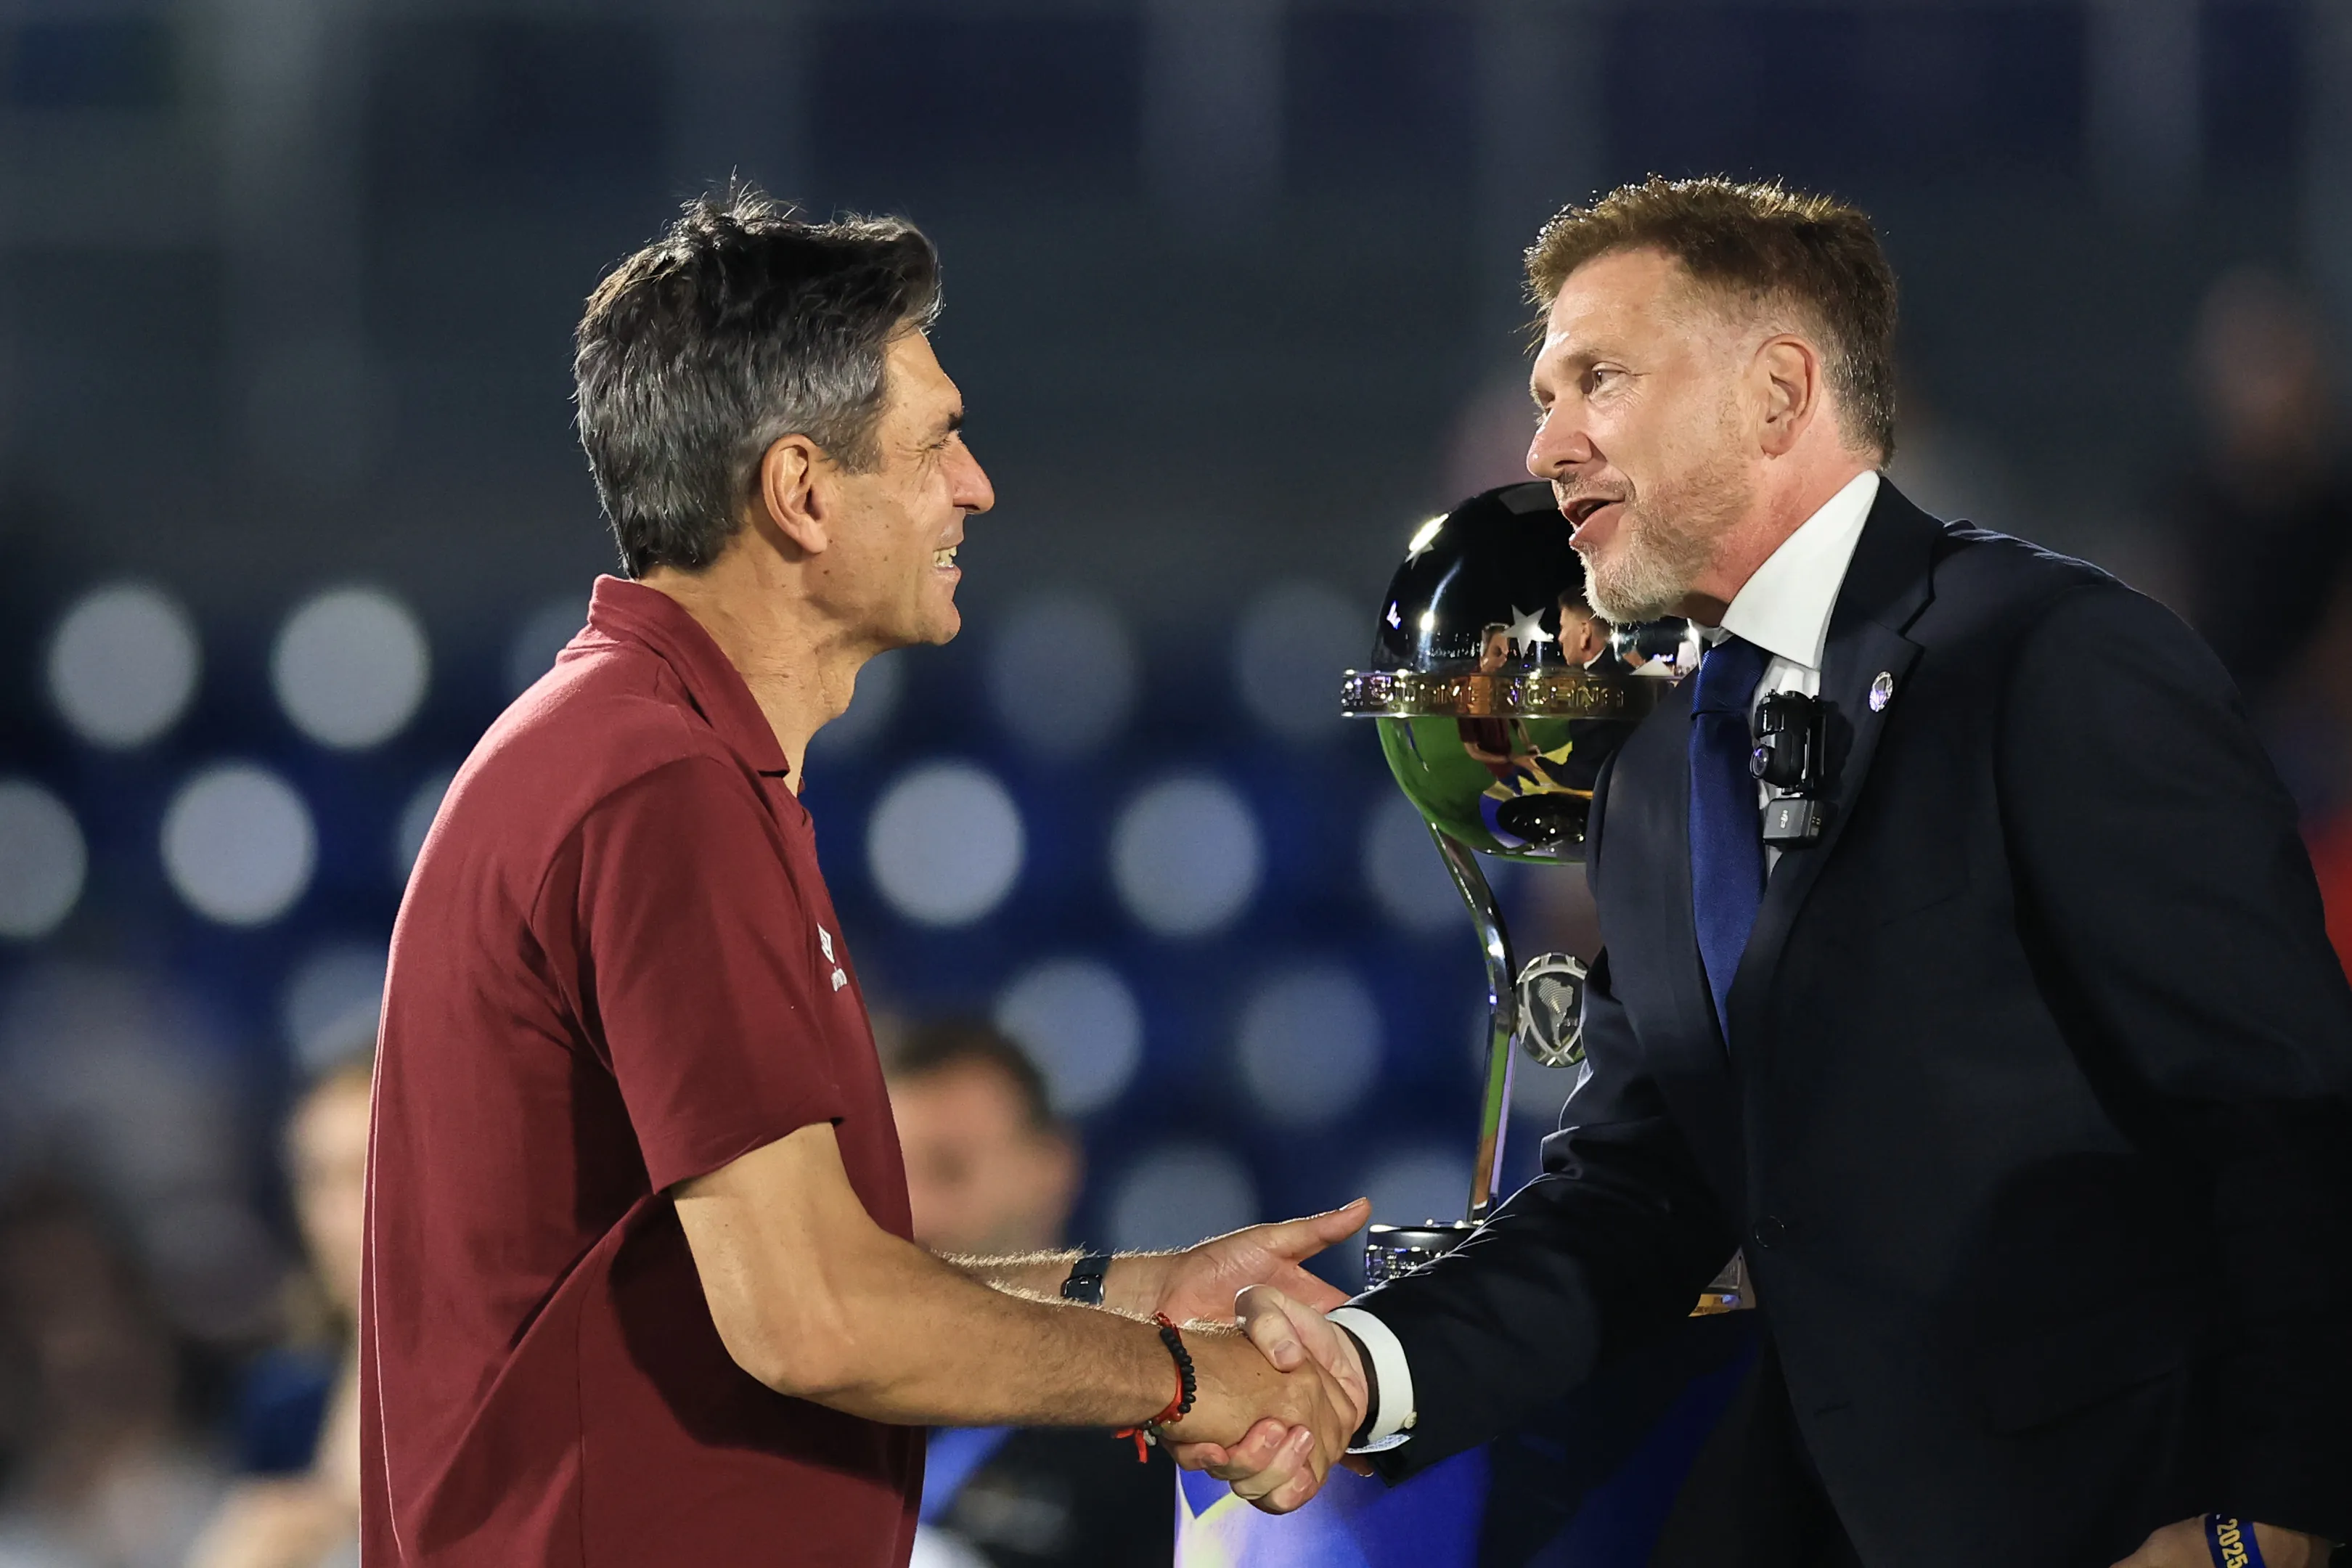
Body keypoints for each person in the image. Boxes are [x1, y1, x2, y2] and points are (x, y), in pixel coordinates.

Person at [1187, 177, 2352, 1568]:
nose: (1545, 444)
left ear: (1780, 393)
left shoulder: (2057, 663)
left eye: (1595, 381)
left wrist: (2266, 1521)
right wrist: (1356, 1369)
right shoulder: (1660, 757)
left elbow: (2290, 1127)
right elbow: (1641, 1192)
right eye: (1545, 393)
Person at [360, 187, 1364, 1567]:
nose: (977, 485)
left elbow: (735, 1285)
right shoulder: (658, 789)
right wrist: (1192, 1382)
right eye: (938, 440)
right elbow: (812, 1317)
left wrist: (1130, 1293)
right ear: (801, 493)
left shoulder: (645, 755)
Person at [882, 1020, 1172, 1568]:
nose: (915, 1210)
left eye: (950, 1169)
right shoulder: (819, 1385)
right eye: (892, 1174)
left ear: (1051, 1169)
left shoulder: (1149, 1413)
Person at [186, 1054, 372, 1568]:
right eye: (320, 1181)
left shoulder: (511, 1377)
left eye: (366, 1172)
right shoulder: (283, 1401)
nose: (344, 1215)